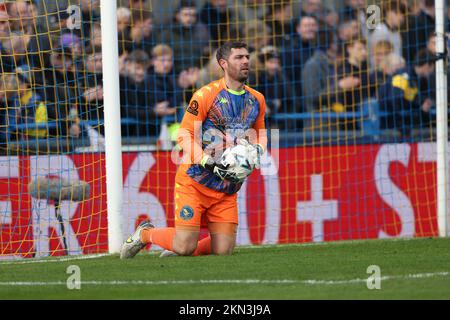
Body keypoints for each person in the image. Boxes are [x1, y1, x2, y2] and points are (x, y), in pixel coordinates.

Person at [120, 41, 267, 258]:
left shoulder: (257, 99)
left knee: (223, 250)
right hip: (195, 181)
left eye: (247, 57)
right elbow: (183, 135)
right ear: (223, 63)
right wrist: (208, 161)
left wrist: (256, 152)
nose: (246, 61)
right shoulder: (205, 95)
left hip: (227, 189)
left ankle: (179, 248)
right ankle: (145, 234)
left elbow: (260, 133)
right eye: (239, 57)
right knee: (185, 245)